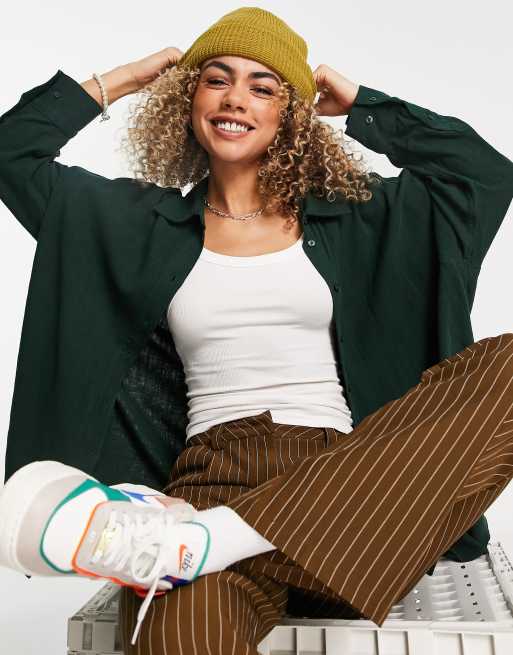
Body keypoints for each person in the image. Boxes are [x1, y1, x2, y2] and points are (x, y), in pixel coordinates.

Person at [1, 6, 513, 655]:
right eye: (216, 79)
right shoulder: (133, 226)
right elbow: (11, 153)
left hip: (352, 489)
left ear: (291, 116)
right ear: (188, 100)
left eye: (263, 87)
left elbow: (485, 175)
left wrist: (363, 104)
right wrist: (126, 78)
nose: (235, 98)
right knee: (182, 640)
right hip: (209, 483)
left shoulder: (364, 218)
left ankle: (204, 544)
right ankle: (203, 541)